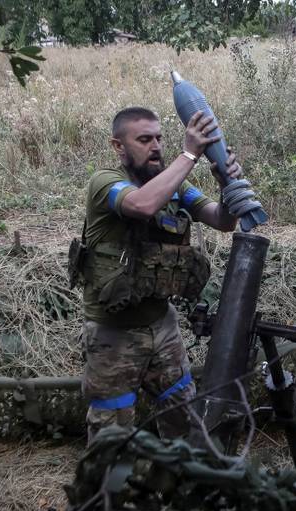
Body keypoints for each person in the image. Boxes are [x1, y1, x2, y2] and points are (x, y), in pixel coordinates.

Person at [72, 106, 248, 442]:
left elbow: (223, 220)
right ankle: (109, 493)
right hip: (114, 335)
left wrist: (226, 182)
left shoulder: (177, 187)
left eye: (158, 138)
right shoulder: (106, 183)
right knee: (111, 433)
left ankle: (181, 486)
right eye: (143, 139)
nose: (155, 146)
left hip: (163, 329)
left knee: (185, 419)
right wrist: (188, 154)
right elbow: (142, 205)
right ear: (118, 146)